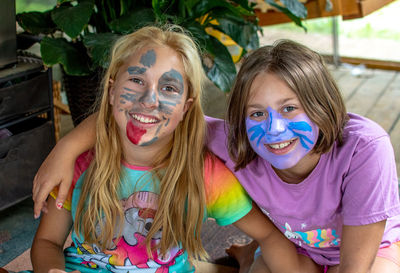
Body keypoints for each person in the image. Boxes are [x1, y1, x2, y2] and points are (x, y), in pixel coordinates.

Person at [32, 39, 400, 272]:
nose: (273, 130)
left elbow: (357, 267)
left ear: (323, 104)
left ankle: (245, 254)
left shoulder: (364, 148)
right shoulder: (238, 142)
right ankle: (245, 255)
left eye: (290, 108)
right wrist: (66, 147)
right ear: (241, 119)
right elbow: (147, 114)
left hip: (369, 252)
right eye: (257, 113)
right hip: (297, 249)